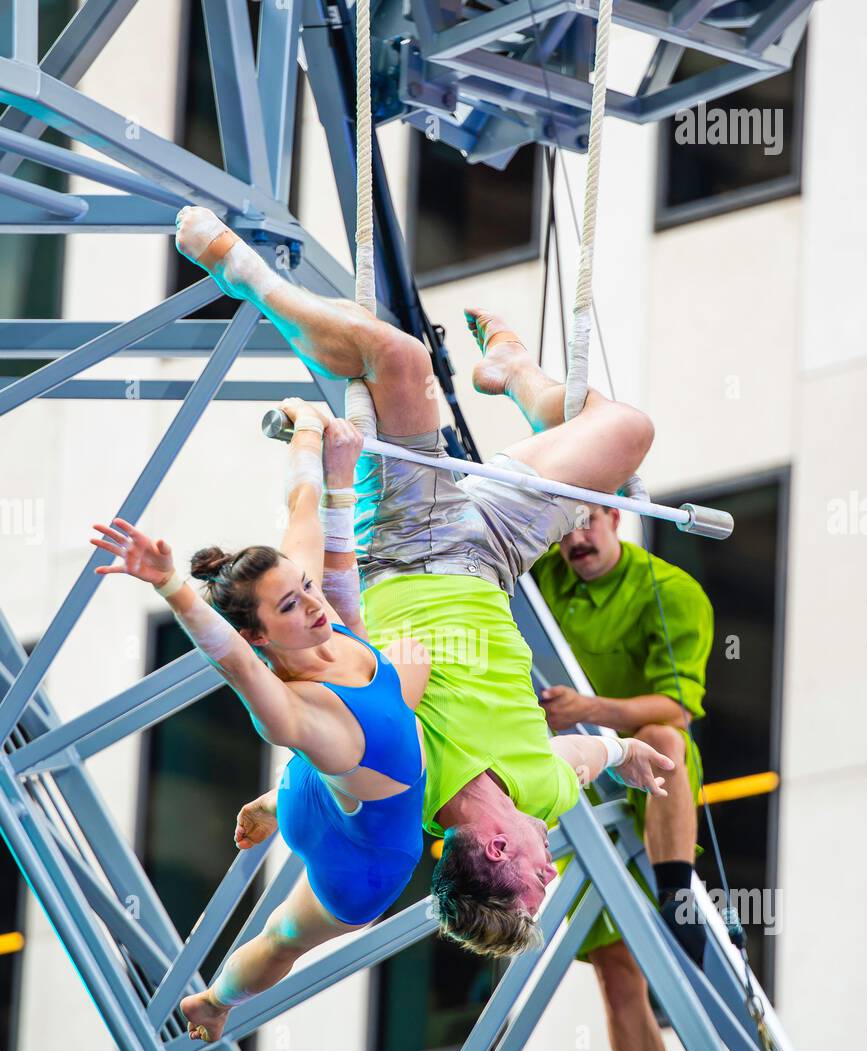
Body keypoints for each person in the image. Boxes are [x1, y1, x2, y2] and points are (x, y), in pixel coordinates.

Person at [173, 208, 674, 961]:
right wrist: (623, 756)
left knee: (399, 359)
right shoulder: (542, 794)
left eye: (540, 881)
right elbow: (581, 759)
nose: (551, 869)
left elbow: (329, 744)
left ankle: (245, 275)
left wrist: (276, 803)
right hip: (496, 558)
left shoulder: (407, 786)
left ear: (499, 855)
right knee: (627, 435)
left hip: (405, 547)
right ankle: (515, 375)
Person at [89, 397, 429, 1045]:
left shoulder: (304, 609)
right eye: (290, 608)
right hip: (365, 864)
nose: (312, 606)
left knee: (402, 662)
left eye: (304, 587)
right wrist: (170, 586)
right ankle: (213, 1002)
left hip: (315, 785)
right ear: (255, 633)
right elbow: (239, 668)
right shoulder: (289, 704)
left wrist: (306, 425)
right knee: (280, 940)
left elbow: (302, 510)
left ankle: (279, 800)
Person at [531, 510, 714, 1051]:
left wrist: (590, 709)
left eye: (586, 526)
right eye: (563, 530)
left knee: (662, 733)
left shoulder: (668, 591)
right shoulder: (543, 579)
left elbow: (676, 705)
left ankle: (675, 894)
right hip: (578, 785)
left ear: (613, 517)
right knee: (614, 973)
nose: (575, 541)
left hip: (648, 783)